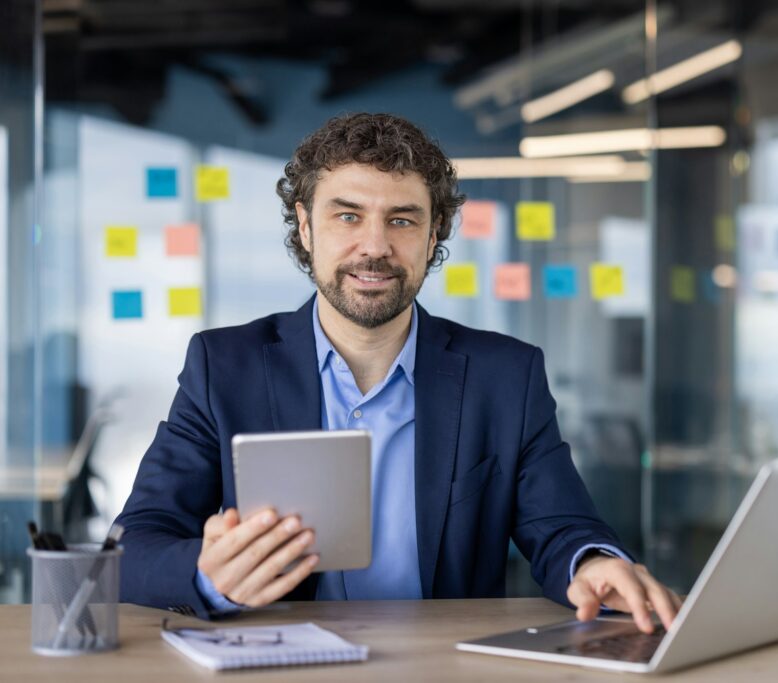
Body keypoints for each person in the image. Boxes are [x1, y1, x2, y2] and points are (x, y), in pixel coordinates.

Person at [115, 113, 680, 633]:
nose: (375, 246)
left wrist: (597, 564)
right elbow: (133, 547)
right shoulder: (224, 366)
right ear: (306, 227)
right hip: (278, 663)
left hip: (444, 667)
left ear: (434, 236)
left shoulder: (506, 376)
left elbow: (563, 527)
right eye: (347, 216)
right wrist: (211, 575)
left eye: (402, 219)